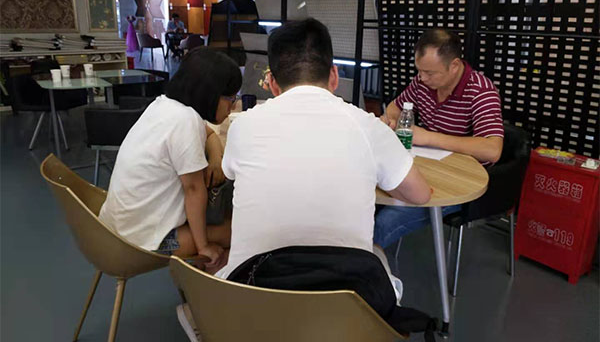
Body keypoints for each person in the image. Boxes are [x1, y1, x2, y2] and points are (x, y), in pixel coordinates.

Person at [216, 18, 431, 280]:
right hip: (346, 297)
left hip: (249, 292)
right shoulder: (369, 127)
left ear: (272, 83)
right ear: (334, 76)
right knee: (377, 254)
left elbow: (231, 174)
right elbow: (420, 194)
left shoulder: (242, 126)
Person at [98, 47, 242, 274]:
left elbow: (210, 134)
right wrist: (203, 247)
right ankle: (202, 290)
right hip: (140, 244)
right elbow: (194, 190)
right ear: (211, 94)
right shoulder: (185, 121)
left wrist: (215, 157)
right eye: (231, 99)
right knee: (236, 231)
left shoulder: (164, 105)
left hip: (114, 227)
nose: (232, 107)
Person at [375, 29, 504, 249]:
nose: (422, 78)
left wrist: (429, 138)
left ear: (454, 65)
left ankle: (361, 266)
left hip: (459, 180)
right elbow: (395, 106)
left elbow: (492, 150)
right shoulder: (423, 83)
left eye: (430, 73)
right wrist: (391, 120)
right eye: (419, 71)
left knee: (384, 223)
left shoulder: (481, 92)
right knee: (365, 201)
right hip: (427, 166)